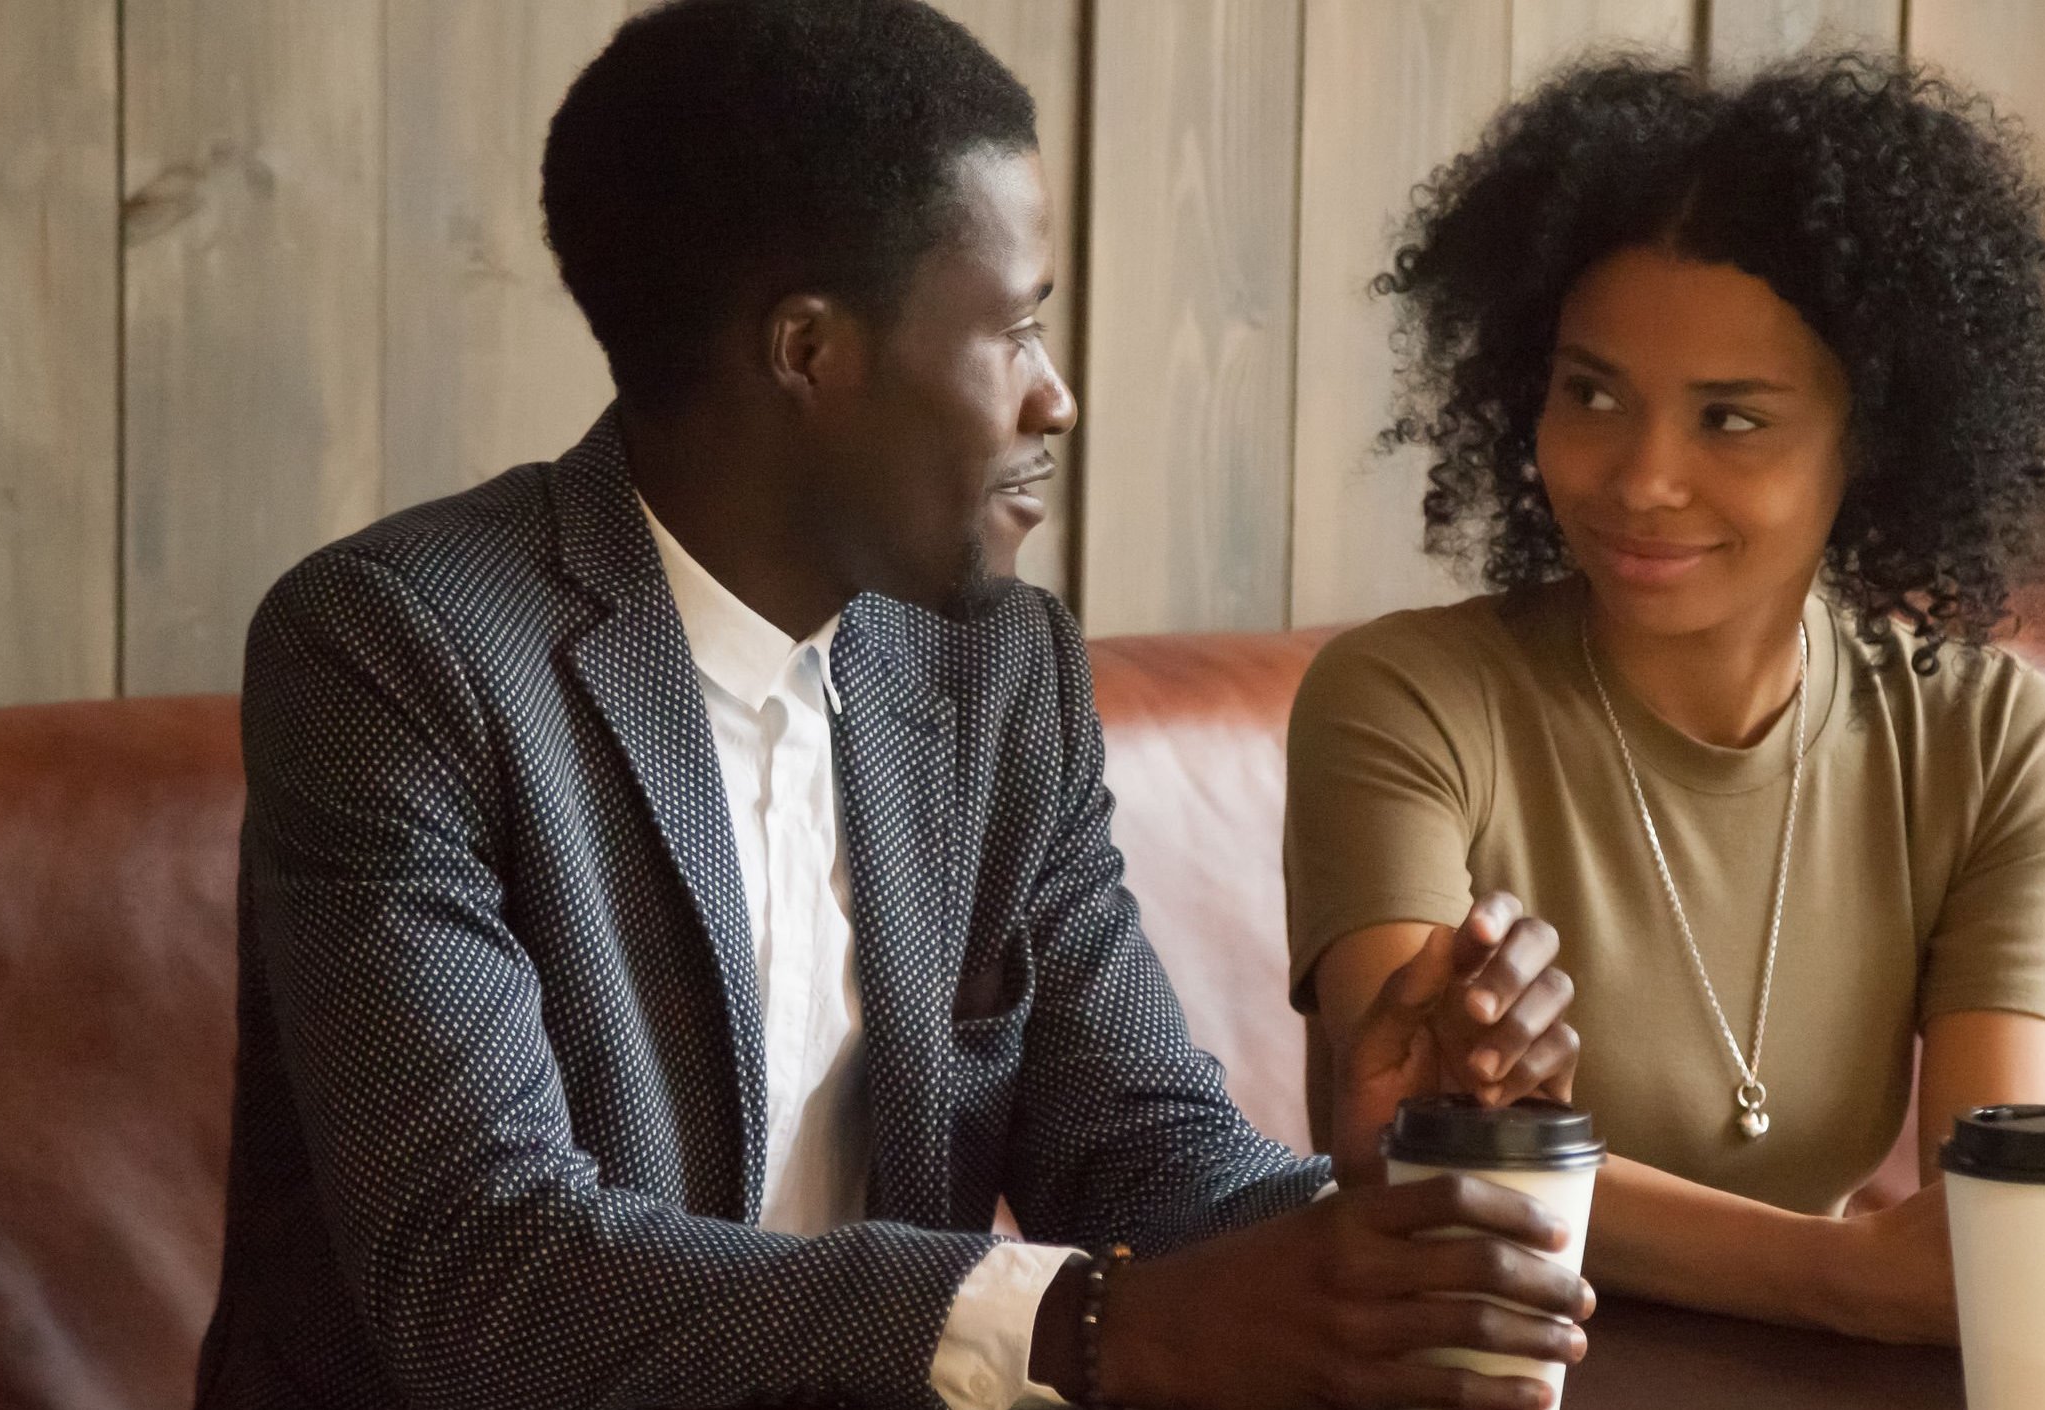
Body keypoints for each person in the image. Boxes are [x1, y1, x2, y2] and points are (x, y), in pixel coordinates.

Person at [193, 3, 1592, 1408]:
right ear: (808, 351)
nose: (1057, 398)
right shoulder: (396, 653)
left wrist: (1401, 1180)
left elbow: (1144, 1156)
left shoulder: (993, 676)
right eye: (1017, 330)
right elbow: (485, 1274)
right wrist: (1077, 1326)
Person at [1283, 54, 2045, 1405]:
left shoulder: (1985, 746)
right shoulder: (1403, 701)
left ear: (1870, 439)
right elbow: (1437, 1161)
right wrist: (1861, 1276)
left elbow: (1972, 1222)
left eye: (1730, 418)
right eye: (1592, 393)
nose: (1640, 475)